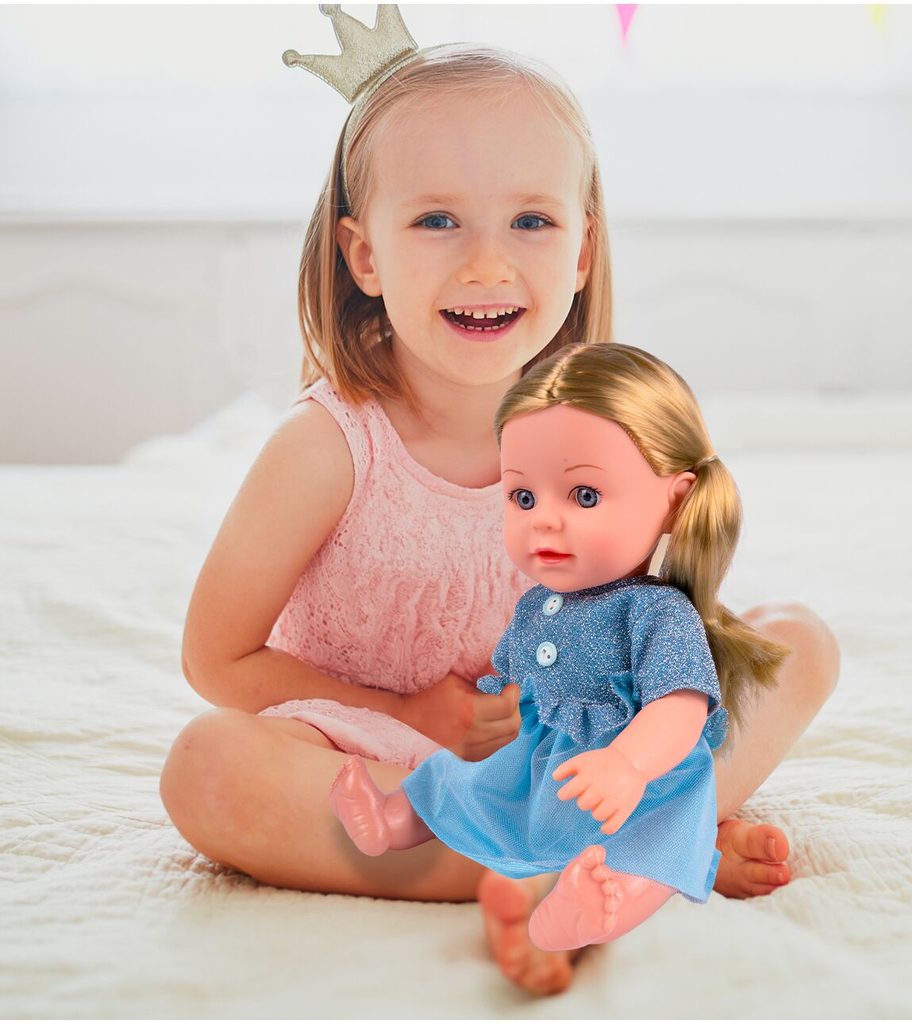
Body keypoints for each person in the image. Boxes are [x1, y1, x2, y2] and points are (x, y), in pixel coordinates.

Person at [160, 7, 840, 997]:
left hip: (563, 752)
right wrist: (405, 713)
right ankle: (604, 858)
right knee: (207, 766)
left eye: (530, 220)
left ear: (580, 250)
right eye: (436, 220)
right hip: (377, 752)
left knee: (796, 642)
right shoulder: (328, 447)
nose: (486, 264)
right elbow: (215, 660)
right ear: (362, 254)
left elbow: (646, 611)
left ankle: (617, 836)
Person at [332, 342, 791, 953]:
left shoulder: (657, 612)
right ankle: (394, 821)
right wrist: (492, 709)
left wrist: (629, 765)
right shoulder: (537, 605)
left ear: (676, 501)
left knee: (653, 847)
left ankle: (599, 909)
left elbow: (681, 706)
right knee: (456, 781)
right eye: (523, 498)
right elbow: (516, 678)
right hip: (541, 760)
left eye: (584, 496)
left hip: (636, 780)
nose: (543, 520)